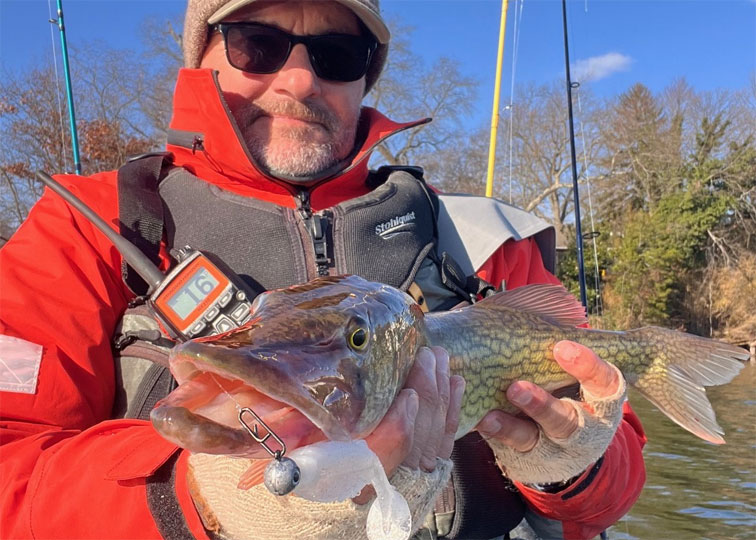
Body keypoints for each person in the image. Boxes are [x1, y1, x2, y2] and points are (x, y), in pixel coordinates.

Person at [0, 0, 646, 538]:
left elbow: (613, 479)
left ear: (367, 76)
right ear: (201, 56)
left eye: (337, 55)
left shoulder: (480, 242)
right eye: (258, 43)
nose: (301, 81)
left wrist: (574, 465)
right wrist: (201, 495)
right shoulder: (86, 230)